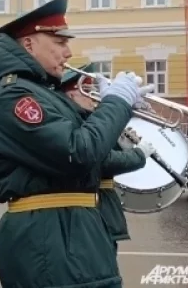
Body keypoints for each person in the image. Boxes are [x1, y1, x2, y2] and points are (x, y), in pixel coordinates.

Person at [0, 0, 153, 288]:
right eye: (60, 43)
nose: (68, 53)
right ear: (29, 44)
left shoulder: (39, 91)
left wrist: (116, 106)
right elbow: (79, 150)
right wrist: (117, 102)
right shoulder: (14, 95)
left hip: (68, 231)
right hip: (54, 238)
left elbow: (92, 144)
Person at [59, 63, 152, 252]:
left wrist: (121, 143)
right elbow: (100, 161)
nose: (92, 95)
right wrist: (138, 155)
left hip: (102, 203)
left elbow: (102, 152)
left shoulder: (87, 118)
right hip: (92, 205)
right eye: (86, 89)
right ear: (70, 94)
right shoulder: (73, 122)